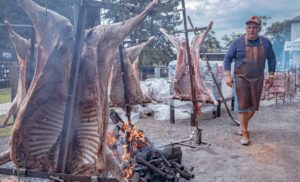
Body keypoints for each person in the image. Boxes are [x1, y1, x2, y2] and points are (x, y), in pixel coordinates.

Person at [224, 16, 276, 145]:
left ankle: (242, 127)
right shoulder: (237, 42)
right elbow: (227, 59)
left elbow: (272, 59)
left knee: (253, 108)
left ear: (259, 29)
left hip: (258, 78)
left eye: (254, 27)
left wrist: (271, 75)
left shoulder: (266, 43)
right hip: (242, 78)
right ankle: (245, 133)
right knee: (242, 107)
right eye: (249, 27)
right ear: (245, 28)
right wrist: (227, 76)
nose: (251, 30)